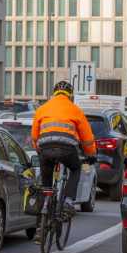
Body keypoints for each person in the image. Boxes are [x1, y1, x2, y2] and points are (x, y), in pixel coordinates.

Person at [32, 81, 97, 216]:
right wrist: (91, 155)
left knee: (46, 171)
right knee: (75, 168)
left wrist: (38, 150)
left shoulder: (42, 108)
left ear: (54, 94)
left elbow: (34, 136)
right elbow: (87, 138)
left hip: (46, 148)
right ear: (70, 95)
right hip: (67, 149)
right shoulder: (75, 110)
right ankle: (68, 201)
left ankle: (46, 200)